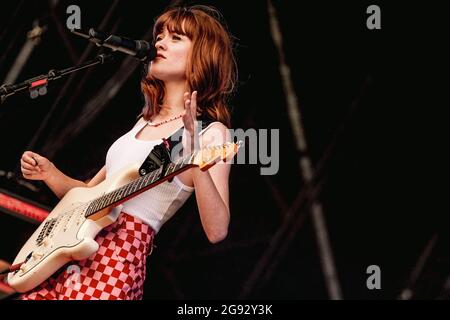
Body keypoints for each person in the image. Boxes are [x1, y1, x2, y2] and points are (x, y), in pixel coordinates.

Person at [16, 5, 237, 300]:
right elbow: (87, 196)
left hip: (116, 258)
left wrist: (196, 159)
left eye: (176, 38)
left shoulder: (211, 133)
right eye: (160, 35)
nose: (159, 42)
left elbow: (217, 229)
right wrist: (50, 174)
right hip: (71, 250)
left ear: (203, 54)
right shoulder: (141, 122)